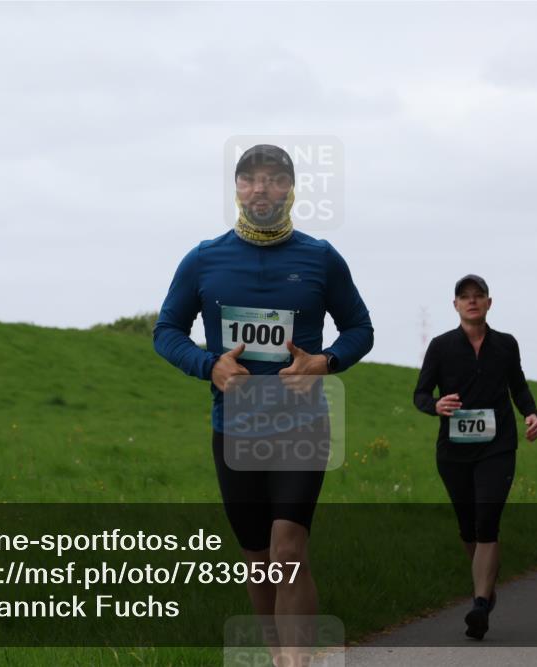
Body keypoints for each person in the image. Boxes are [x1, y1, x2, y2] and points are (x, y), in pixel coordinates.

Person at [153, 144, 374, 664]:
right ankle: (278, 655)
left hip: (302, 427)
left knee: (288, 551)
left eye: (274, 179)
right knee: (257, 560)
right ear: (237, 189)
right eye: (251, 179)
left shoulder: (320, 256)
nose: (262, 189)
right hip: (235, 429)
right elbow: (166, 331)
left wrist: (325, 362)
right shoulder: (204, 258)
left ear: (291, 189)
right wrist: (210, 365)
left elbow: (360, 329)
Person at [413, 275, 537, 641]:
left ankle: (480, 604)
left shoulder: (505, 344)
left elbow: (518, 385)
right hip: (453, 451)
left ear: (489, 302)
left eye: (478, 296)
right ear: (455, 305)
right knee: (468, 526)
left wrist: (530, 413)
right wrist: (434, 405)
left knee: (487, 518)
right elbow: (420, 393)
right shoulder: (441, 346)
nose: (472, 301)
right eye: (464, 297)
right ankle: (484, 587)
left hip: (497, 445)